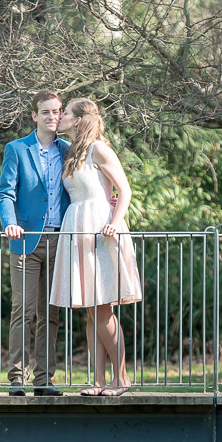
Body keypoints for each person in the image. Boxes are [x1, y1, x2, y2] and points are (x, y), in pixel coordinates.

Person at [49, 98, 142, 396]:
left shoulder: (99, 149)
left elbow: (124, 190)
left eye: (65, 112)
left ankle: (122, 379)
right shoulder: (71, 151)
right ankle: (98, 381)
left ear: (78, 120)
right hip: (77, 227)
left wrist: (115, 221)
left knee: (103, 308)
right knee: (91, 310)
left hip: (101, 228)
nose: (60, 116)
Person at [0, 90, 70, 396]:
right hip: (25, 240)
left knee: (50, 314)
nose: (52, 117)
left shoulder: (68, 150)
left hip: (60, 240)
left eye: (57, 111)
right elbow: (5, 193)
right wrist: (9, 222)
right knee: (22, 311)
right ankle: (17, 379)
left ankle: (44, 380)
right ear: (34, 116)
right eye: (46, 112)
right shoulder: (17, 149)